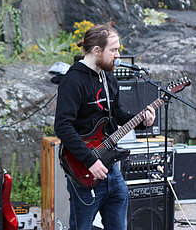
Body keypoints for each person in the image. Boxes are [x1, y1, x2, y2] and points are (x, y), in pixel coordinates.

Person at [54, 23, 155, 230]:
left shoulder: (108, 75)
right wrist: (90, 160)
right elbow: (63, 126)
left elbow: (116, 114)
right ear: (96, 50)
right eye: (114, 50)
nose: (118, 55)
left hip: (110, 167)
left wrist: (141, 120)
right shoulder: (73, 81)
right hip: (83, 168)